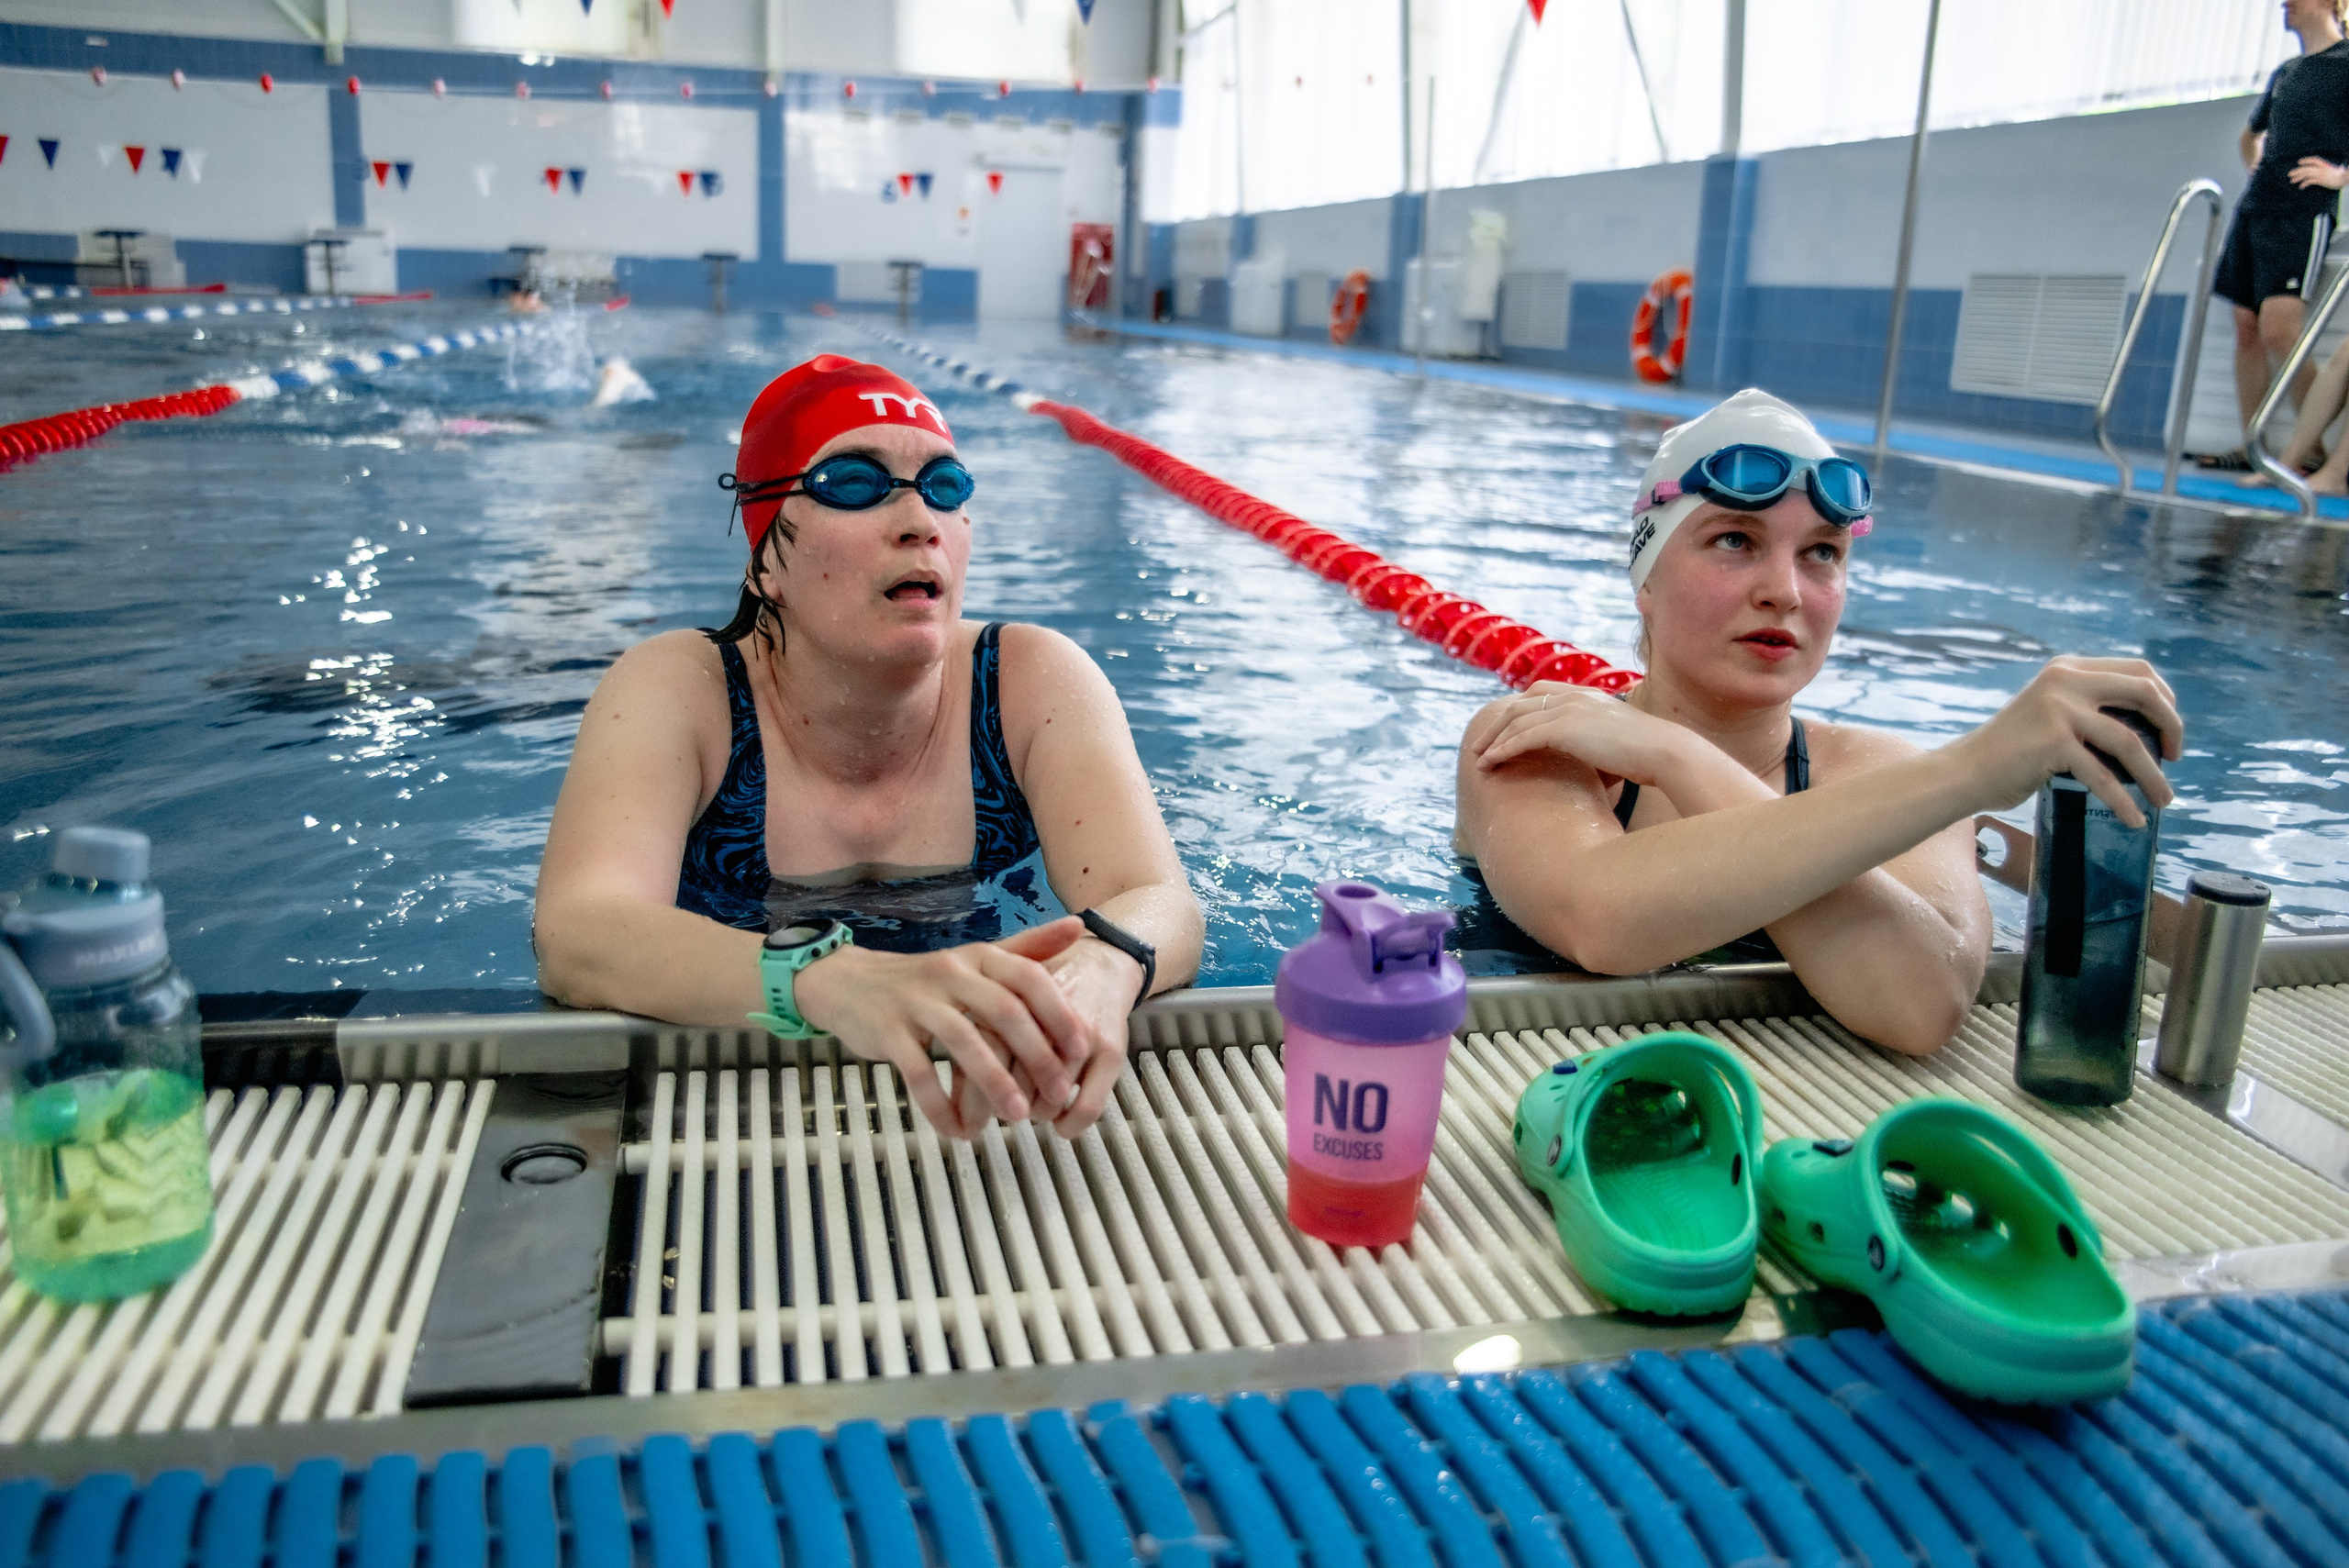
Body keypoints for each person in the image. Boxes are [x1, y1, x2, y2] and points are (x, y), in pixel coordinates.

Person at [536, 354, 1202, 1138]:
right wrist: (822, 978)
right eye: (853, 482)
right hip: (738, 1092)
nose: (919, 517)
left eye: (943, 485)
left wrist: (1103, 963)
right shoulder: (685, 690)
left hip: (979, 1110)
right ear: (765, 564)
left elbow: (1163, 902)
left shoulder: (1029, 680)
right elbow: (578, 933)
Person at [1453, 390, 2182, 1057]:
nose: (1784, 591)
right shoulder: (1538, 740)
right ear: (1646, 579)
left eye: (1822, 554)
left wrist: (1682, 760)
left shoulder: (1887, 776)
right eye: (1734, 540)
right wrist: (1970, 769)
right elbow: (1600, 919)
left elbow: (1919, 1006)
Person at [2204, 0, 2349, 468]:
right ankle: (2254, 448)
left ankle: (2308, 454)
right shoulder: (2287, 72)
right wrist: (2254, 161)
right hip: (2256, 210)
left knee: (2281, 332)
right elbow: (2251, 135)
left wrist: (2341, 176)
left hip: (2300, 213)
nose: (2284, 4)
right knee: (2246, 328)